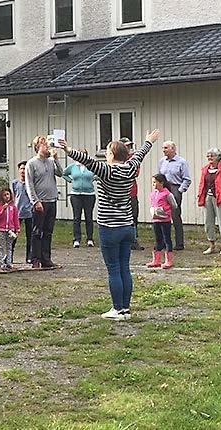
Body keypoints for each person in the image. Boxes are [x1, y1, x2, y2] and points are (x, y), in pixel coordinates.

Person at [60, 129, 159, 320]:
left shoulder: (107, 169)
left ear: (112, 155)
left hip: (109, 227)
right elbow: (139, 155)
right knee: (124, 267)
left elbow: (87, 161)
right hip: (127, 226)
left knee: (113, 268)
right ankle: (126, 309)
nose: (105, 155)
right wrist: (148, 141)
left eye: (107, 152)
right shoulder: (130, 168)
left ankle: (117, 309)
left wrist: (68, 149)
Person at [25, 135, 63, 268]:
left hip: (52, 200)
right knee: (37, 232)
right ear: (37, 147)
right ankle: (35, 258)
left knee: (48, 231)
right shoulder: (31, 163)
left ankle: (46, 259)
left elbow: (61, 173)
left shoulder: (51, 161)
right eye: (44, 144)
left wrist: (56, 158)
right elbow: (29, 185)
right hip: (40, 202)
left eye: (47, 143)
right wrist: (35, 201)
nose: (47, 146)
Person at [198, 148, 221, 255]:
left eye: (212, 156)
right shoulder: (205, 169)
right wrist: (201, 196)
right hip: (208, 198)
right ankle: (211, 245)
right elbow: (202, 184)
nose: (210, 158)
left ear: (218, 157)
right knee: (208, 222)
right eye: (208, 156)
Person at [158, 140, 192, 251]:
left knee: (175, 216)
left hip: (175, 188)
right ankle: (162, 242)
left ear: (173, 149)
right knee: (161, 215)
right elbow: (160, 177)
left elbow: (187, 179)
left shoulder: (181, 162)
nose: (164, 150)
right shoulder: (162, 161)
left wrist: (180, 191)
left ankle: (179, 243)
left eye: (166, 148)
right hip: (164, 188)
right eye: (163, 148)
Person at [145, 174, 178, 269]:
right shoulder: (153, 193)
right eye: (153, 182)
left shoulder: (167, 194)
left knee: (167, 239)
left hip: (165, 220)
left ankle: (169, 260)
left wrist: (165, 211)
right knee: (157, 239)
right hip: (156, 219)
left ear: (161, 183)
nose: (153, 184)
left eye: (155, 182)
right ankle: (156, 259)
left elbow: (174, 205)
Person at [62, 157, 96, 248]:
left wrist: (95, 178)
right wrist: (70, 180)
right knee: (77, 217)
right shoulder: (73, 167)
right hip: (76, 195)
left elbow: (100, 174)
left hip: (89, 194)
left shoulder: (91, 166)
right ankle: (77, 239)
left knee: (89, 217)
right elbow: (63, 173)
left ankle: (90, 239)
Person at [120, 138, 143, 251]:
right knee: (121, 217)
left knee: (134, 216)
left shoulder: (133, 159)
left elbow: (135, 172)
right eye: (126, 146)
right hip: (121, 194)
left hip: (132, 192)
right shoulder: (116, 159)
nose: (128, 149)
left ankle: (133, 240)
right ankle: (122, 240)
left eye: (129, 146)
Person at [11, 161, 33, 264]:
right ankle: (9, 255)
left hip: (29, 213)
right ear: (18, 170)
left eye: (25, 169)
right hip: (17, 213)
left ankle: (29, 256)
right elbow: (13, 197)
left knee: (30, 236)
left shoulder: (31, 183)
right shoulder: (15, 183)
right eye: (21, 169)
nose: (23, 171)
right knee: (13, 235)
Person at [0, 187, 20, 271]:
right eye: (4, 195)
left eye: (8, 194)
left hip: (10, 230)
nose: (7, 196)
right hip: (1, 229)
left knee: (9, 247)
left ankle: (9, 263)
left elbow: (15, 218)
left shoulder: (13, 207)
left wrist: (17, 228)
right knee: (1, 247)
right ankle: (1, 263)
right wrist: (2, 210)